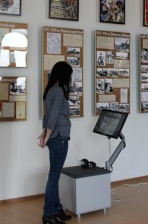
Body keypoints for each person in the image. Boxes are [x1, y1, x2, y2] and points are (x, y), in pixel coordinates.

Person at [39, 61, 73, 224]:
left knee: (55, 175)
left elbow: (48, 115)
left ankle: (57, 208)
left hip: (54, 137)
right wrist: (46, 135)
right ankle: (48, 214)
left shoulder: (50, 90)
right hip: (59, 138)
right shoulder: (59, 91)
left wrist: (44, 133)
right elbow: (52, 117)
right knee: (54, 176)